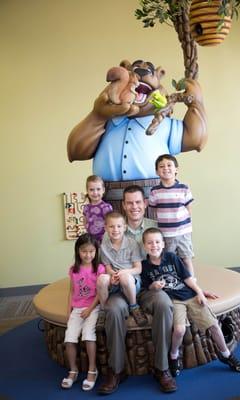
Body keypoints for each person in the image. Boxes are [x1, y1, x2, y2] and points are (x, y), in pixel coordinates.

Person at [67, 59, 207, 182]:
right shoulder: (106, 122)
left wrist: (196, 104)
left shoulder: (163, 124)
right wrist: (97, 116)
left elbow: (196, 140)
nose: (140, 72)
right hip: (108, 201)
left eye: (149, 71)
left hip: (153, 198)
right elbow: (75, 152)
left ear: (159, 75)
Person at [97, 186, 177, 394]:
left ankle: (162, 367)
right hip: (121, 289)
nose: (134, 207)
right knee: (113, 311)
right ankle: (116, 369)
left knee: (164, 303)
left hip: (150, 285)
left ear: (145, 203)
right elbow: (105, 262)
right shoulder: (115, 229)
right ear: (123, 205)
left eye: (138, 202)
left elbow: (173, 253)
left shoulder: (155, 226)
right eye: (129, 203)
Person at [141, 227, 240, 387]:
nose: (154, 245)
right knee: (179, 330)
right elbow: (148, 289)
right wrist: (154, 286)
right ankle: (174, 355)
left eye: (157, 242)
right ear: (144, 246)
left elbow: (187, 278)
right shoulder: (145, 266)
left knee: (214, 325)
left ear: (163, 244)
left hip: (189, 296)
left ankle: (226, 354)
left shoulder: (171, 257)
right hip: (174, 301)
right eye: (149, 243)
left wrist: (200, 292)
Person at [61, 233, 105, 391]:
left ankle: (92, 370)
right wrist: (69, 311)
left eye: (91, 251)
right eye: (84, 251)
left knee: (88, 335)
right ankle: (73, 370)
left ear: (96, 251)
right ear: (78, 251)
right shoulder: (74, 269)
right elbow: (71, 291)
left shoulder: (99, 268)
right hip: (77, 309)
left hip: (93, 307)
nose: (88, 255)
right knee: (70, 338)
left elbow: (100, 293)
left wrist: (90, 309)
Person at [97, 211, 147, 328]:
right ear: (105, 228)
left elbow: (138, 269)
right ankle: (103, 310)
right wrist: (112, 275)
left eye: (119, 226)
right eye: (111, 226)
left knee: (125, 277)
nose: (115, 230)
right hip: (114, 281)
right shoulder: (103, 247)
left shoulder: (132, 243)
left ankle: (134, 306)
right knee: (102, 279)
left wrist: (124, 272)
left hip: (131, 282)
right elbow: (107, 267)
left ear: (124, 227)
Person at [149, 153, 195, 276]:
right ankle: (174, 282)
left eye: (169, 165)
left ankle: (192, 282)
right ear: (157, 171)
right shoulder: (155, 191)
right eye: (161, 166)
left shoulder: (183, 188)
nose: (166, 168)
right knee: (169, 260)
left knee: (186, 258)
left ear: (176, 169)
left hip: (183, 232)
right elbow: (154, 211)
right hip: (165, 234)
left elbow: (189, 209)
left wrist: (183, 225)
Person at [83, 175, 113, 242]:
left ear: (103, 190)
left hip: (104, 240)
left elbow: (111, 223)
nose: (95, 192)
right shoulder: (86, 208)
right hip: (91, 240)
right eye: (91, 190)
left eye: (98, 189)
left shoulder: (106, 207)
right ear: (87, 191)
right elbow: (85, 221)